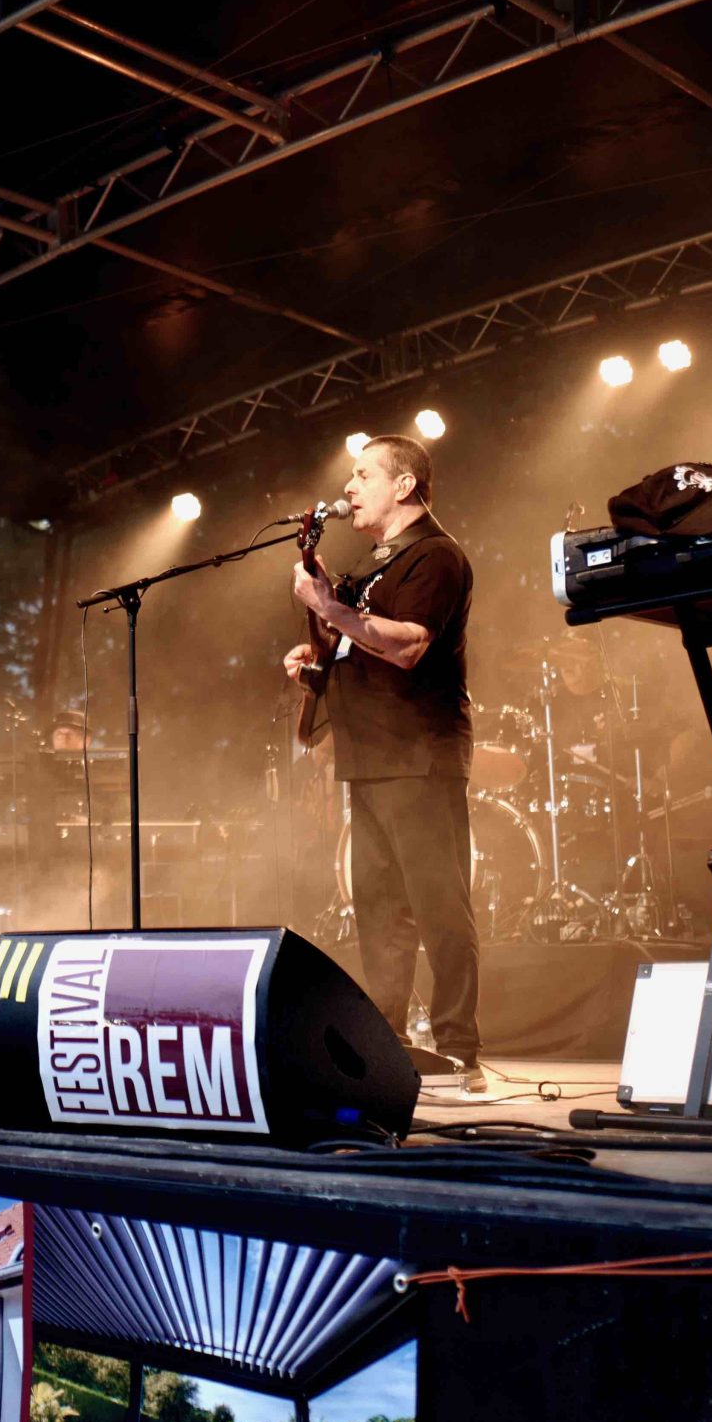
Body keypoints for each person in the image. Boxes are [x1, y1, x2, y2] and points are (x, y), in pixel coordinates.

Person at [282, 434, 484, 1092]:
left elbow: (408, 645)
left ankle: (459, 1049)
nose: (348, 487)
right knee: (378, 909)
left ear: (404, 486)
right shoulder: (373, 565)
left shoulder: (435, 556)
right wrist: (319, 659)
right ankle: (388, 1044)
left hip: (417, 754)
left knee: (438, 902)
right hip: (367, 757)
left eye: (363, 474)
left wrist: (329, 609)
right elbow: (359, 646)